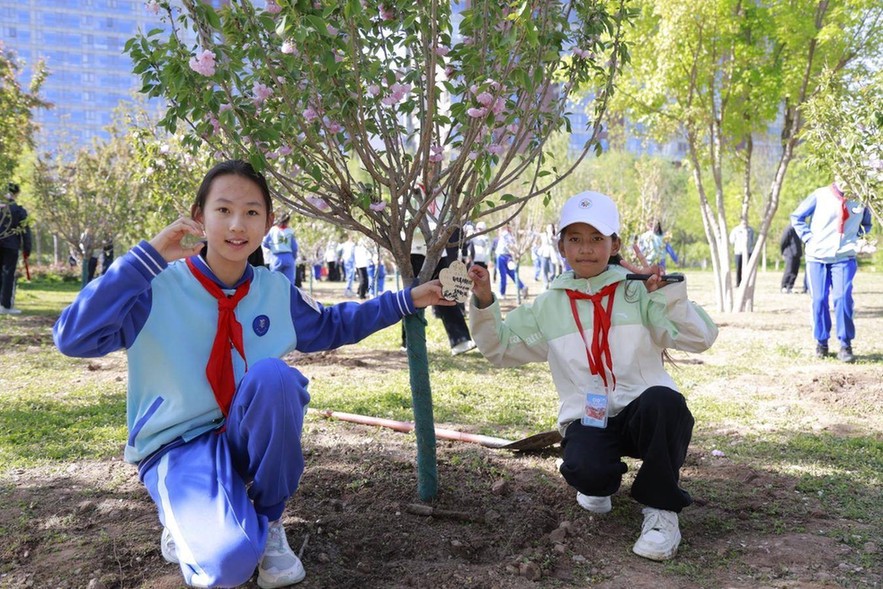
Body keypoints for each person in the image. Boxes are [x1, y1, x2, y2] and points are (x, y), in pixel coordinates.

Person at [52, 160, 453, 589]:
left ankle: (269, 519)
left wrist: (407, 300)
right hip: (178, 446)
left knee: (275, 378)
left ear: (267, 224)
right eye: (223, 210)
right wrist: (143, 259)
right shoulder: (154, 286)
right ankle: (192, 519)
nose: (237, 224)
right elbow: (74, 339)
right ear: (199, 217)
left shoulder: (273, 290)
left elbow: (335, 323)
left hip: (242, 436)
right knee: (227, 567)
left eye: (252, 212)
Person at [467, 190, 718, 562]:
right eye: (575, 239)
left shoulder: (639, 292)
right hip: (589, 416)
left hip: (641, 412)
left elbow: (700, 338)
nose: (586, 249)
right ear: (561, 247)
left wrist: (666, 296)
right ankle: (598, 481)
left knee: (667, 402)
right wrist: (485, 301)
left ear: (614, 243)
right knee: (586, 470)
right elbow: (499, 348)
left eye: (596, 239)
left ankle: (661, 512)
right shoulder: (546, 306)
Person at [790, 180, 872, 362]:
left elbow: (866, 225)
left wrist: (859, 240)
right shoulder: (820, 194)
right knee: (819, 300)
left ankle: (845, 344)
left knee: (842, 298)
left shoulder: (861, 198)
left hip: (844, 257)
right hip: (817, 258)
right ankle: (821, 342)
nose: (845, 179)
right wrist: (808, 238)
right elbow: (797, 217)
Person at [0, 182, 32, 314]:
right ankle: (5, 306)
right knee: (8, 275)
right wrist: (27, 249)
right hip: (11, 246)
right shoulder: (19, 210)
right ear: (16, 194)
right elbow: (25, 230)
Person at [261, 212, 297, 284]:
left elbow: (264, 243)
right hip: (288, 256)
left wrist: (272, 247)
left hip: (276, 257)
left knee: (275, 281)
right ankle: (288, 295)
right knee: (289, 282)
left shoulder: (273, 230)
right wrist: (294, 257)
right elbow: (294, 247)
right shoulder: (290, 231)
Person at [495, 224, 527, 298]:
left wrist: (516, 252)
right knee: (512, 274)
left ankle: (502, 293)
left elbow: (509, 245)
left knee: (503, 275)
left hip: (502, 256)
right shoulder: (509, 235)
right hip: (508, 256)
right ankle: (522, 287)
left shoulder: (507, 234)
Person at [728, 220, 755, 287]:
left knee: (748, 268)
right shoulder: (736, 230)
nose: (744, 223)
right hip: (738, 252)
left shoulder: (750, 230)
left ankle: (747, 282)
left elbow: (753, 240)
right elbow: (731, 240)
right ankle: (738, 283)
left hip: (748, 251)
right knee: (738, 268)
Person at [778, 224, 803, 294]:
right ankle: (784, 286)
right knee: (789, 270)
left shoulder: (799, 229)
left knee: (795, 271)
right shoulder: (789, 229)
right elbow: (783, 241)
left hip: (797, 253)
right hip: (789, 253)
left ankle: (790, 286)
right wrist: (783, 252)